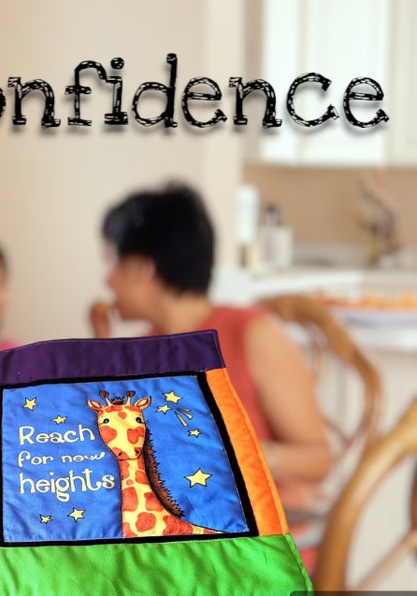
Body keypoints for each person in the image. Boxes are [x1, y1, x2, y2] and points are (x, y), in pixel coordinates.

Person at [89, 182, 332, 555]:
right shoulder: (140, 350)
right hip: (178, 550)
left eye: (112, 261)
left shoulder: (253, 334)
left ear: (142, 268)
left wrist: (233, 454)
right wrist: (100, 358)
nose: (107, 278)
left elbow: (318, 460)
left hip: (260, 551)